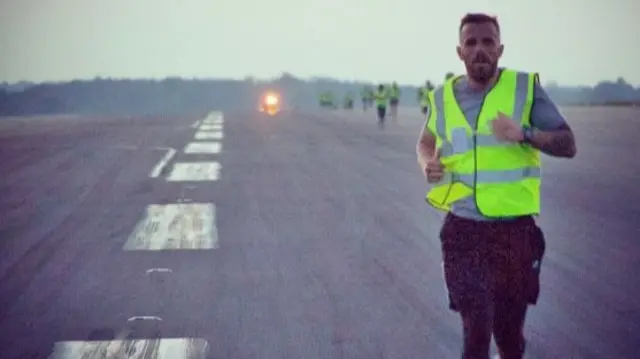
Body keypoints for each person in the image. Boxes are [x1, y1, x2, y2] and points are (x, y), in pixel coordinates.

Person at [415, 13, 577, 359]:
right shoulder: (442, 97)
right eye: (471, 43)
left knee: (508, 335)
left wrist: (525, 134)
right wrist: (426, 163)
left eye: (488, 42)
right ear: (459, 52)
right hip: (464, 232)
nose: (479, 50)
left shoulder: (524, 89)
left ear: (500, 49)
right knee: (477, 330)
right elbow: (425, 141)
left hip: (515, 234)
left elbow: (568, 143)